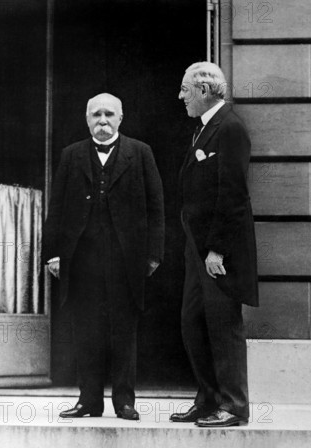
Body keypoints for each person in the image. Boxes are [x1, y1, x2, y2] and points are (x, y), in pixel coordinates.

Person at [43, 93, 164, 420]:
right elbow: (56, 207)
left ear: (121, 118)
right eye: (96, 115)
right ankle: (89, 401)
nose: (102, 120)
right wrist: (53, 253)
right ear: (86, 119)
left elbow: (156, 207)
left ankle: (124, 401)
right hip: (81, 260)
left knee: (124, 331)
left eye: (109, 114)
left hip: (126, 259)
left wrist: (153, 254)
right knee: (86, 331)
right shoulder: (71, 155)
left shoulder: (140, 153)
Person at [170, 62, 259, 427]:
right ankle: (208, 399)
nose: (181, 97)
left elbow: (234, 195)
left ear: (204, 90)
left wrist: (217, 250)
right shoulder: (203, 130)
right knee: (192, 322)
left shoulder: (230, 128)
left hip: (220, 252)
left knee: (223, 326)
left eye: (185, 89)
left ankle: (234, 405)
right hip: (199, 248)